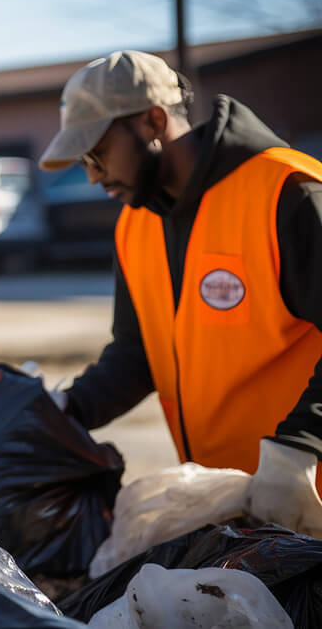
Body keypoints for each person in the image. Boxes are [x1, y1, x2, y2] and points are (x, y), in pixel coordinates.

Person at [39, 50, 322, 536]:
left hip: (307, 498)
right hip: (235, 511)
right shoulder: (135, 224)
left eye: (97, 153)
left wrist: (300, 447)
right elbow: (138, 352)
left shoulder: (286, 192)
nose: (91, 175)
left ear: (151, 121)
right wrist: (67, 410)